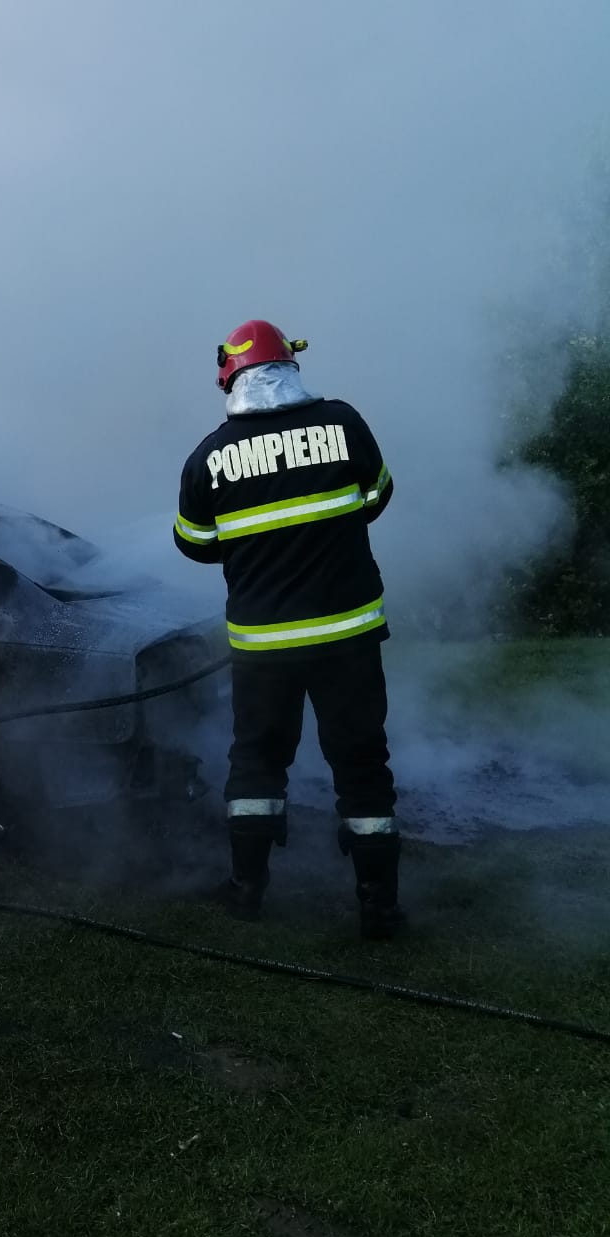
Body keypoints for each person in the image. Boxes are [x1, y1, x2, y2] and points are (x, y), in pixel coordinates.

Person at [173, 320, 401, 938]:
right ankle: (378, 906)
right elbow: (376, 497)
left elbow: (193, 543)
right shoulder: (344, 423)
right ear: (289, 366)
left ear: (231, 377)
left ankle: (246, 891)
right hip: (348, 638)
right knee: (361, 762)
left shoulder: (209, 456)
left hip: (264, 649)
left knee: (256, 762)